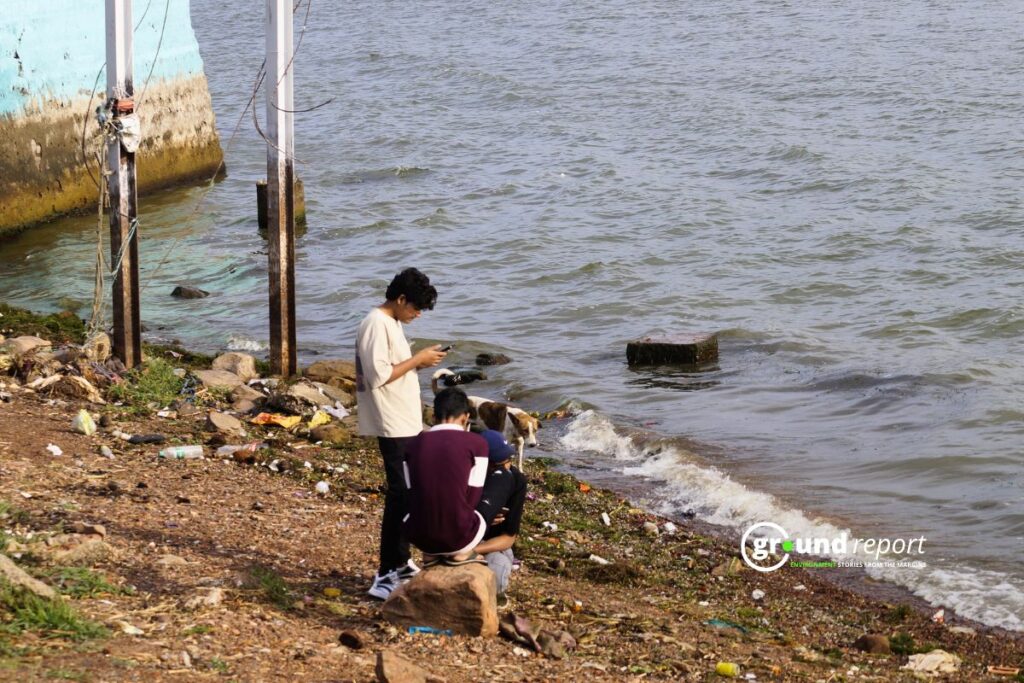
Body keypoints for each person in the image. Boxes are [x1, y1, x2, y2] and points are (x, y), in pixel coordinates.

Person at [356, 268, 447, 600]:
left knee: (409, 493)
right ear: (400, 299)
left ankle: (402, 561)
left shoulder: (392, 322)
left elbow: (391, 367)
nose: (418, 314)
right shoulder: (375, 323)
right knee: (399, 495)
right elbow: (378, 376)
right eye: (416, 308)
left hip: (404, 420)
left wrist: (418, 363)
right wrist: (418, 358)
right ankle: (384, 573)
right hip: (392, 423)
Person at [402, 388, 490, 563]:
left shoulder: (412, 444)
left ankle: (431, 554)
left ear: (434, 417)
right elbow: (474, 494)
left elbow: (409, 491)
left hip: (419, 536)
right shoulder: (478, 444)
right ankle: (461, 554)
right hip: (460, 536)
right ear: (465, 417)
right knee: (483, 509)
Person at [474, 430, 528, 597]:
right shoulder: (469, 476)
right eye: (499, 465)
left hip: (492, 545)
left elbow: (508, 538)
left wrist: (474, 551)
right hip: (461, 539)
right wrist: (479, 518)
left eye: (509, 461)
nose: (506, 468)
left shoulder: (516, 480)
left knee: (495, 575)